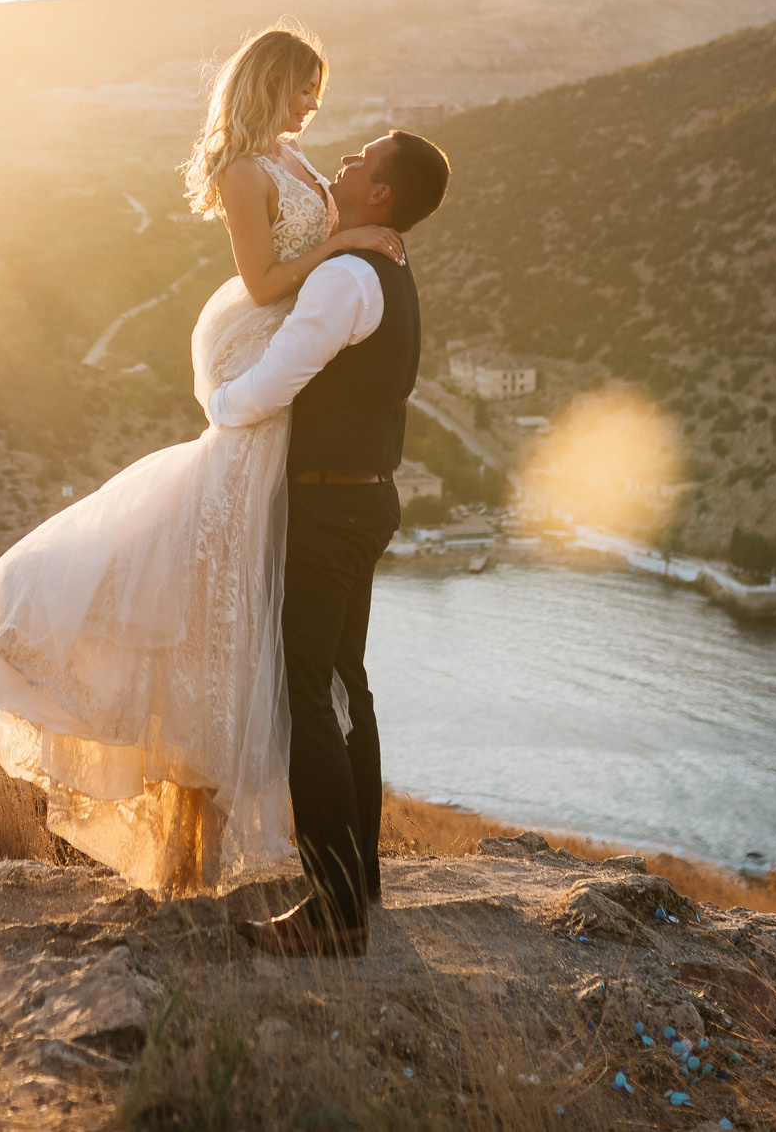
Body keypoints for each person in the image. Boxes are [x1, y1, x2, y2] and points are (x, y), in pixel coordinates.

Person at [0, 25, 404, 891]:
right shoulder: (242, 171)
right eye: (303, 90)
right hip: (256, 351)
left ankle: (219, 849)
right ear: (270, 81)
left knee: (243, 598)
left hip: (283, 373)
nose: (312, 107)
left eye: (317, 94)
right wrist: (344, 247)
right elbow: (259, 282)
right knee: (212, 576)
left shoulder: (297, 160)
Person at [210, 128, 450, 958]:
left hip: (329, 511)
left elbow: (274, 383)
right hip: (367, 501)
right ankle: (361, 882)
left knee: (308, 694)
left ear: (379, 195)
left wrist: (217, 403)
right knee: (349, 687)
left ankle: (334, 911)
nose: (344, 160)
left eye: (362, 159)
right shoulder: (388, 269)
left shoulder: (347, 278)